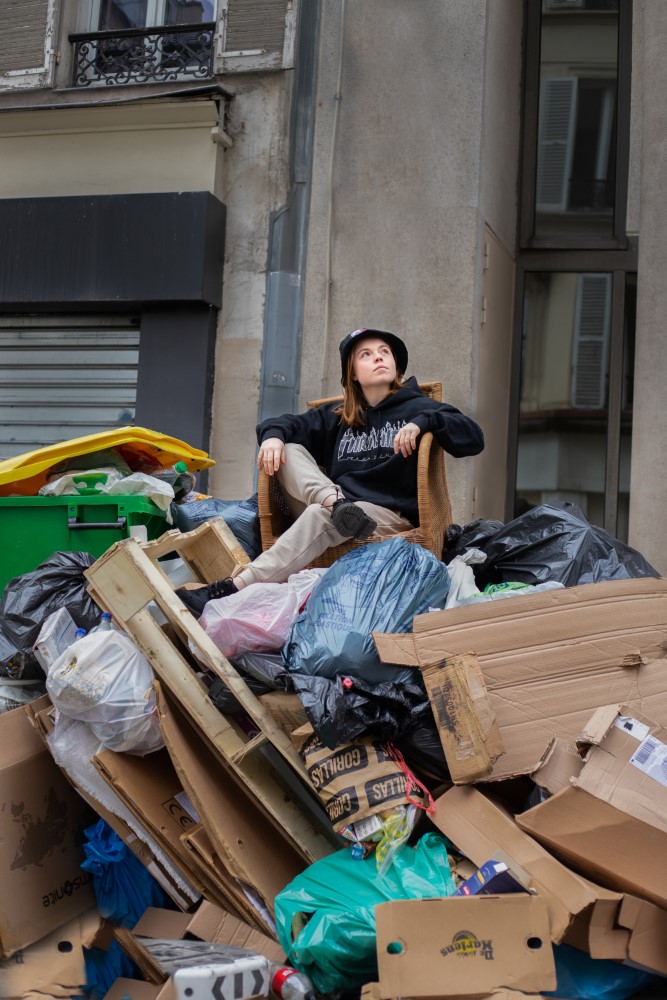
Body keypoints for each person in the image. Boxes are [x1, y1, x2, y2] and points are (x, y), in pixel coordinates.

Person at [177, 328, 484, 616]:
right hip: (336, 506)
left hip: (387, 517)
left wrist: (425, 422)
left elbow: (473, 438)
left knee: (318, 515)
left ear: (396, 365)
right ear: (352, 373)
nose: (378, 357)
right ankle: (335, 504)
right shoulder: (338, 417)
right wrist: (272, 437)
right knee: (289, 449)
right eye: (366, 354)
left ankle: (232, 587)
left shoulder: (416, 407)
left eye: (384, 352)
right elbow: (287, 422)